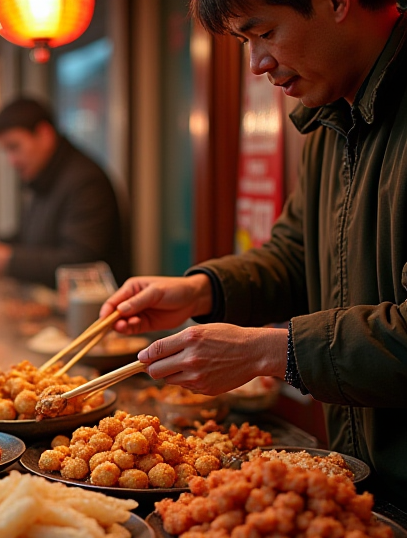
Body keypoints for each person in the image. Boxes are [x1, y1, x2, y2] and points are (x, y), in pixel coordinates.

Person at [101, 0, 407, 498]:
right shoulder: (332, 118)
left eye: (263, 33)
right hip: (367, 482)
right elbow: (297, 257)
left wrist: (271, 351)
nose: (257, 64)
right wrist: (201, 291)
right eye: (246, 43)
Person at [0, 97, 128, 289]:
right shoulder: (45, 176)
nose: (12, 161)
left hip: (98, 306)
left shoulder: (85, 181)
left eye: (14, 147)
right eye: (6, 151)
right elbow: (29, 240)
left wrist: (8, 261)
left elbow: (80, 262)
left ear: (44, 135)